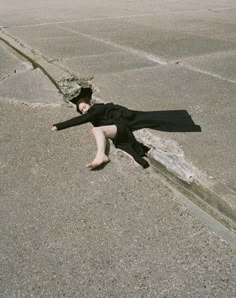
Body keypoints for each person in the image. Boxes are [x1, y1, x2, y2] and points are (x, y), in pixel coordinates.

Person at [52, 98, 201, 169]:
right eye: (82, 110)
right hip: (117, 127)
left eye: (84, 107)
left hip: (120, 127)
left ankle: (101, 155)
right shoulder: (98, 112)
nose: (85, 111)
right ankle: (101, 155)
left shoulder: (97, 109)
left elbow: (82, 119)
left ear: (90, 103)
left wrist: (59, 126)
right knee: (97, 129)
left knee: (96, 129)